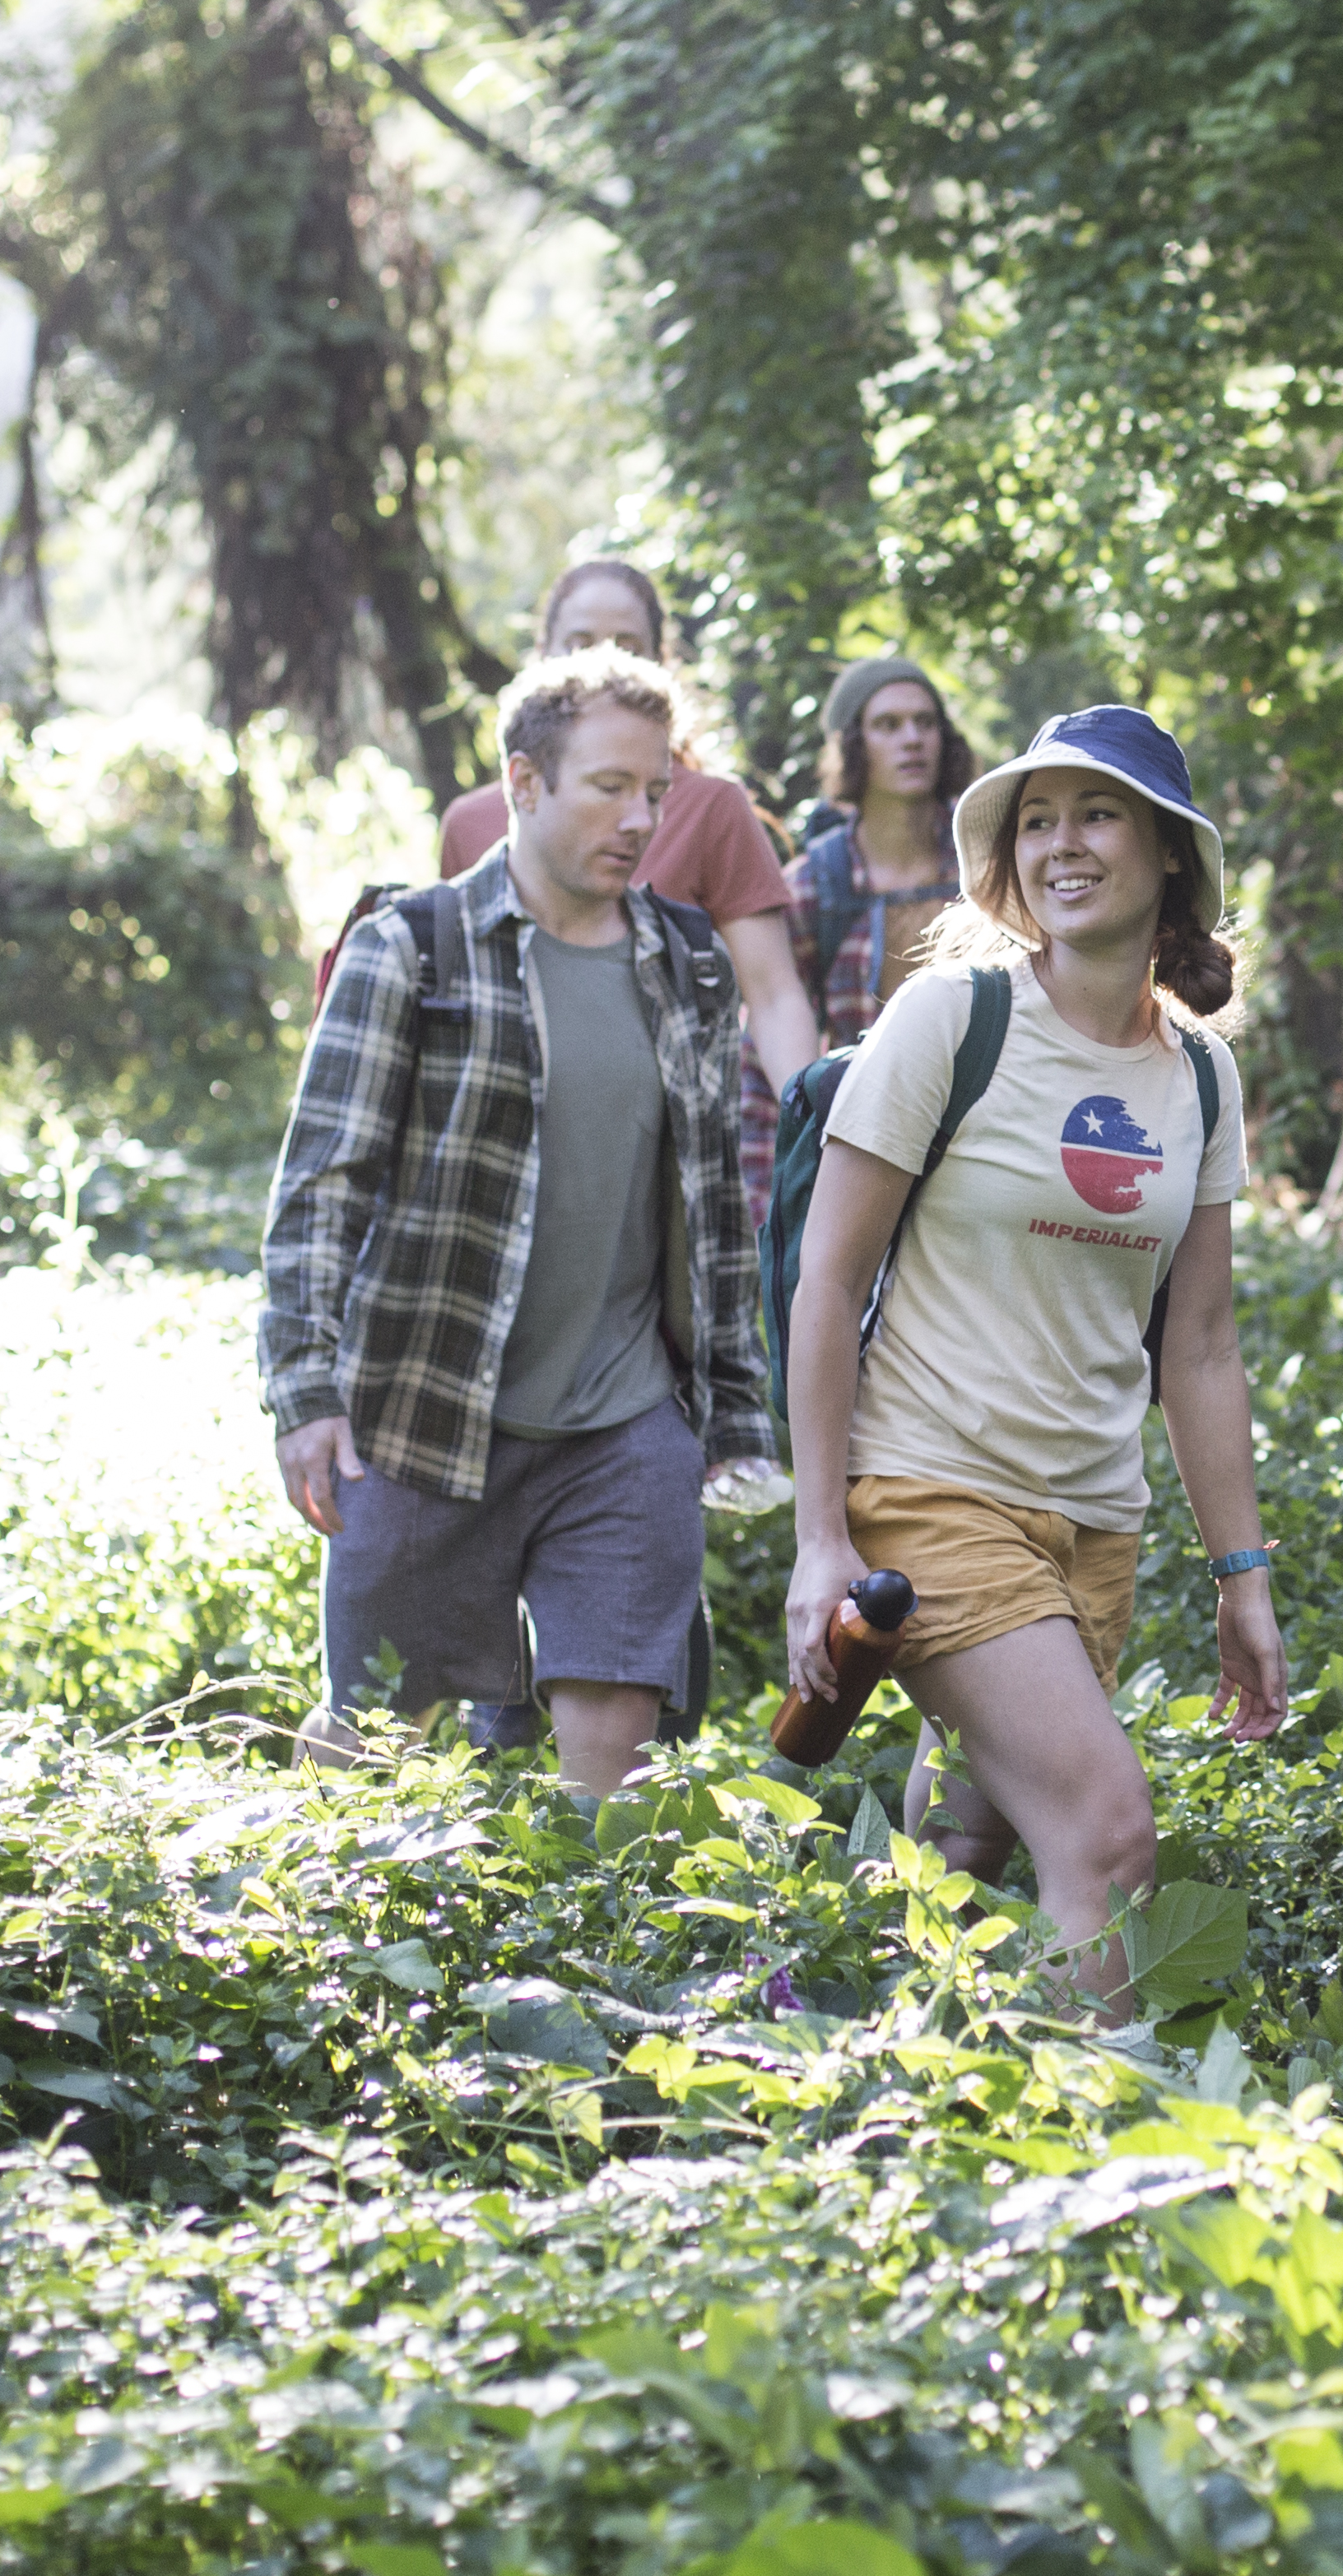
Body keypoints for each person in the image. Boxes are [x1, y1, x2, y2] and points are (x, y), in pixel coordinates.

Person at [778, 703, 1289, 2013]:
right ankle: (1092, 2176)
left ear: (1170, 851)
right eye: (1038, 819)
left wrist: (1244, 1578)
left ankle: (859, 2056)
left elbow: (1203, 1345)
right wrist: (820, 1537)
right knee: (1107, 1833)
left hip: (1091, 1524)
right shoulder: (953, 1019)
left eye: (1098, 814)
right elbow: (827, 1283)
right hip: (930, 1489)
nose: (1063, 844)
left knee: (973, 1834)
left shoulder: (1203, 1082)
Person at [261, 645, 775, 1796]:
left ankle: (599, 1969)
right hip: (427, 1415)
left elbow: (713, 1211)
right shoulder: (412, 949)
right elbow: (321, 1183)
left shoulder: (687, 963)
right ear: (525, 783)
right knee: (369, 1740)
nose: (640, 818)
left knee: (614, 1777)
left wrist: (732, 1416)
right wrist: (304, 1394)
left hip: (623, 1429)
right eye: (609, 787)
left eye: (657, 791)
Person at [440, 561, 825, 1177]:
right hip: (509, 1146)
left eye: (629, 648)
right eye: (581, 643)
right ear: (543, 656)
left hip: (663, 1145)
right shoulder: (472, 822)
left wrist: (812, 1135)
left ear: (662, 663)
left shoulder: (712, 806)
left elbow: (774, 995)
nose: (603, 663)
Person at [791, 655, 976, 1050]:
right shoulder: (814, 885)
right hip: (863, 1104)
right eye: (888, 725)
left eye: (926, 723)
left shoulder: (986, 862)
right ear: (853, 746)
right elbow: (774, 1032)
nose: (913, 739)